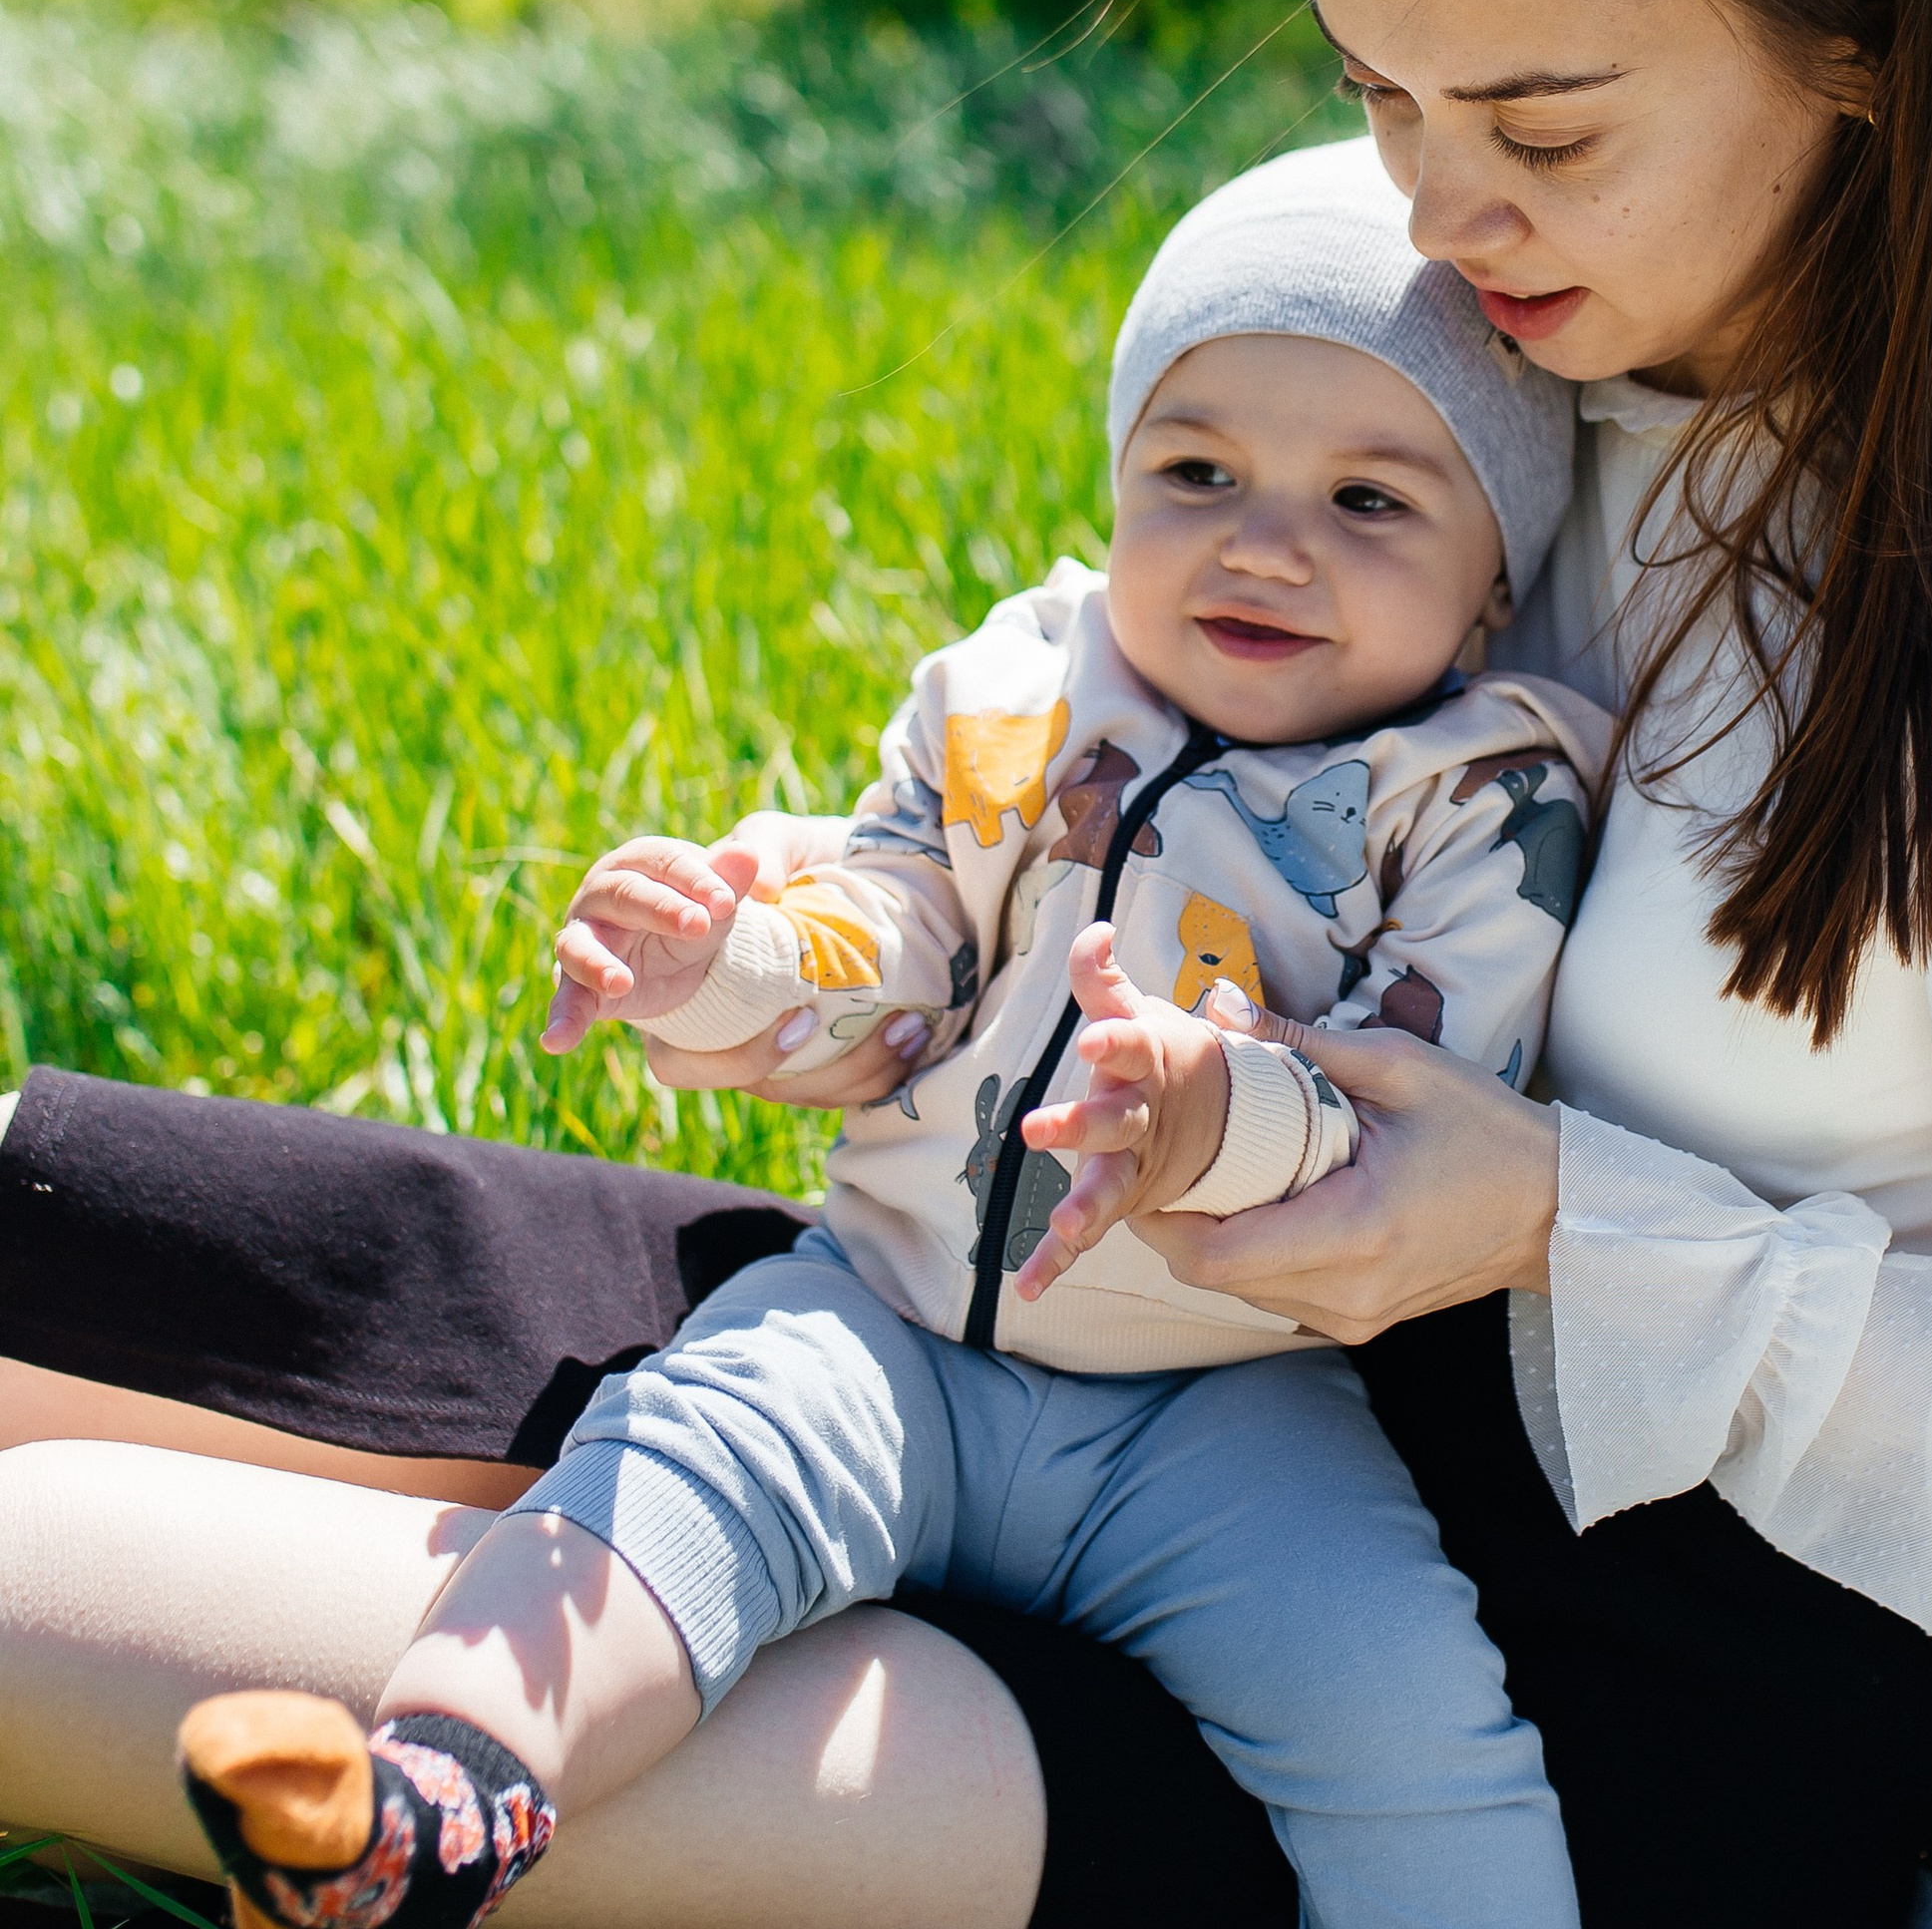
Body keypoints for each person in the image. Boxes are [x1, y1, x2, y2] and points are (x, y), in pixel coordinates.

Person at [0, 0, 1932, 1929]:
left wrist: (1558, 1223)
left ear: (1867, 26)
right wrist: (812, 941)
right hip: (1084, 1286)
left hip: (1541, 1667)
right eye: (1376, 91)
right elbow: (1089, 778)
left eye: (1538, 125)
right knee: (47, 1238)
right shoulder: (1516, 377)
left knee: (34, 1591)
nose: (1439, 218)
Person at [171, 154, 1605, 1929]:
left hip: (1228, 1410)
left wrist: (1207, 1110)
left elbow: (1423, 1084)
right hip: (895, 1314)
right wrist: (725, 960)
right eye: (1199, 471)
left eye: (1370, 499)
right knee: (666, 1471)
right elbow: (897, 929)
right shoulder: (1021, 693)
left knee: (1406, 1707)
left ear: (1489, 591)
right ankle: (429, 1802)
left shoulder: (1477, 801)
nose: (1263, 539)